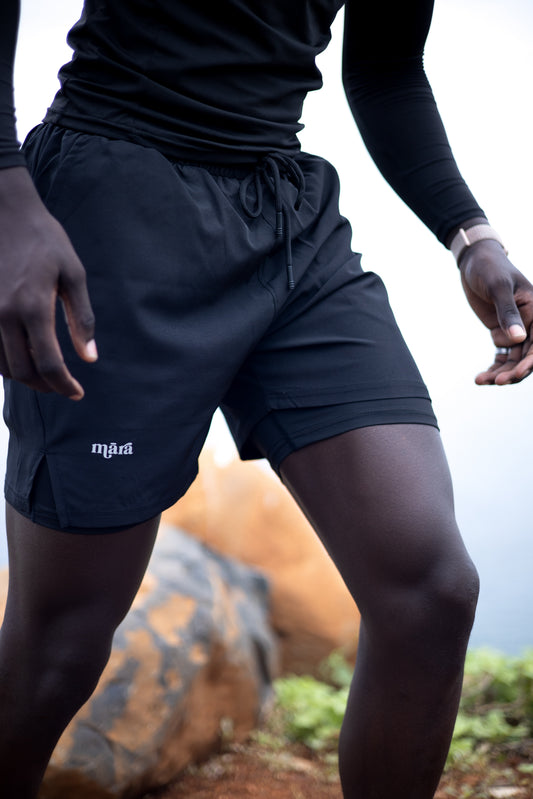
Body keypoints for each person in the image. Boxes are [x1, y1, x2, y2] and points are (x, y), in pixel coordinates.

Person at [0, 1, 532, 797]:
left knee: (428, 590)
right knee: (62, 640)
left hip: (287, 220)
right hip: (111, 206)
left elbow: (385, 70)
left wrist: (471, 236)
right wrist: (9, 198)